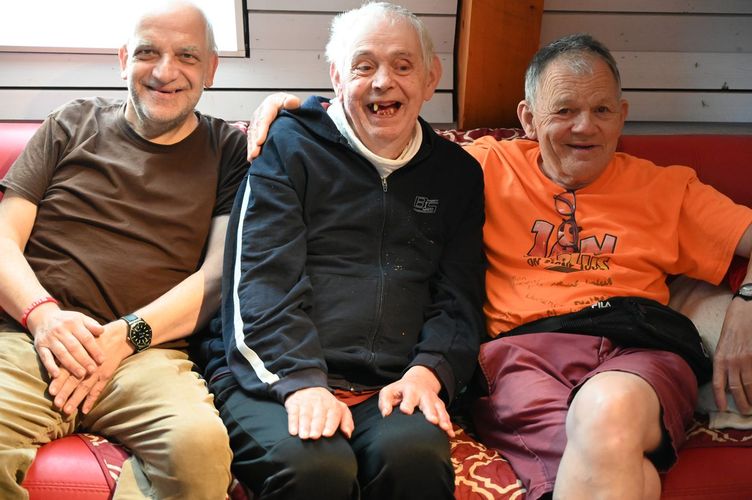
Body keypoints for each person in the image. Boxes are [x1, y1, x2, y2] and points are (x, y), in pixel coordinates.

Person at [247, 33, 752, 500]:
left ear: (622, 116)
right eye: (565, 110)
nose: (585, 127)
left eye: (602, 110)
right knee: (618, 468)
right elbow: (382, 128)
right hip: (521, 358)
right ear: (528, 119)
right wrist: (304, 110)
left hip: (637, 348)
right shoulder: (479, 167)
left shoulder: (669, 188)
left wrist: (747, 302)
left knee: (607, 411)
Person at [202, 3, 485, 499]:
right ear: (336, 76)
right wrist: (301, 381)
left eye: (403, 65)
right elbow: (260, 281)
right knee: (317, 468)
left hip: (392, 383)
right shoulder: (287, 147)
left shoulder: (457, 174)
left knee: (415, 459)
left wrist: (427, 372)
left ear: (431, 78)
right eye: (363, 66)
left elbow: (459, 297)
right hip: (272, 375)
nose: (383, 82)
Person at [0, 1, 248, 498]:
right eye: (147, 52)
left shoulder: (228, 149)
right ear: (123, 59)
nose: (164, 71)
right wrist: (44, 317)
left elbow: (217, 275)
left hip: (149, 353)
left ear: (211, 70)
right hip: (34, 341)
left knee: (199, 450)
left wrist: (126, 336)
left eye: (187, 56)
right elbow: (4, 238)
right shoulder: (70, 123)